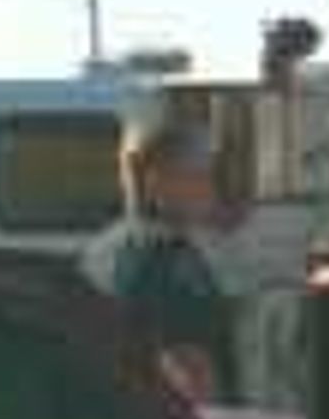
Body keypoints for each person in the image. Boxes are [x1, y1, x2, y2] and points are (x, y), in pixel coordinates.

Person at [82, 108, 240, 403]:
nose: (211, 186)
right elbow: (192, 375)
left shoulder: (105, 248)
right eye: (198, 173)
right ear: (156, 181)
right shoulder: (166, 259)